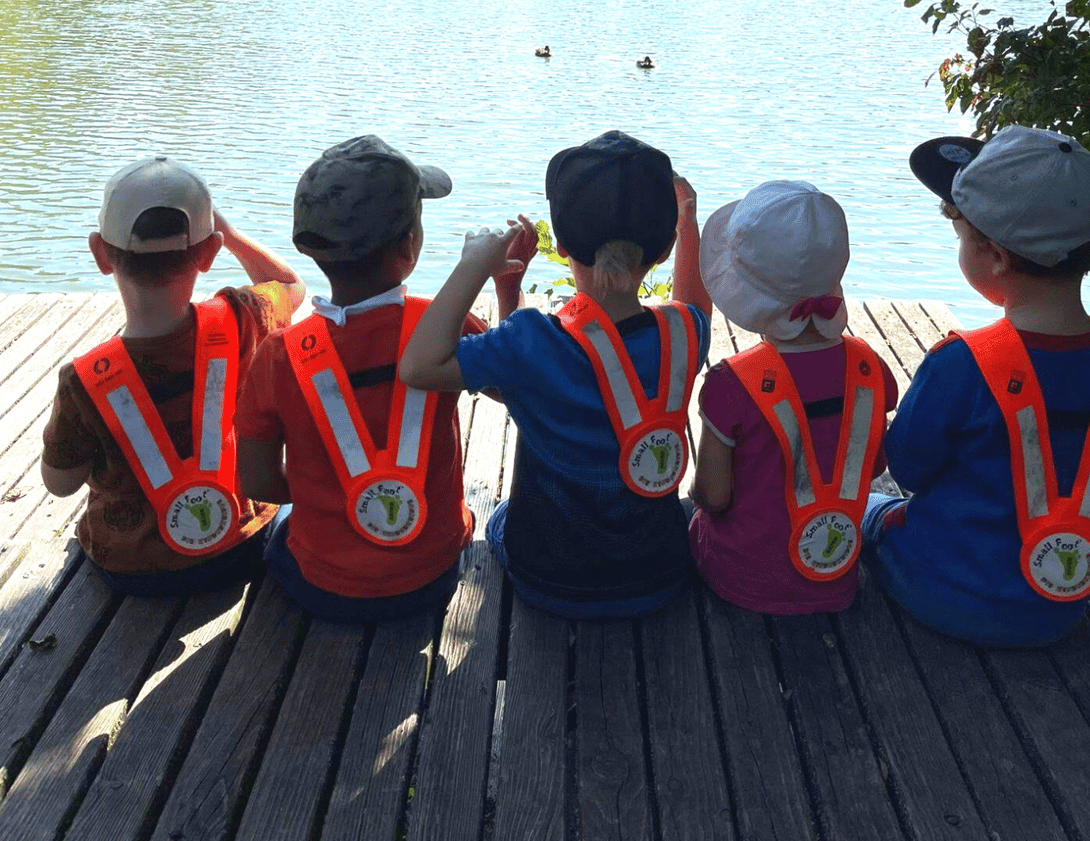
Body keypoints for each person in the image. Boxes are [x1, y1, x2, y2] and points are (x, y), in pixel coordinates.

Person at [862, 125, 1090, 647]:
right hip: (1058, 610)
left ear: (997, 258)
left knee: (870, 506)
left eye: (961, 239)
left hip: (937, 591)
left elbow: (908, 469)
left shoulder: (960, 363)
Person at [400, 129, 712, 618]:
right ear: (664, 249)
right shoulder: (686, 334)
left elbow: (420, 366)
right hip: (658, 574)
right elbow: (692, 303)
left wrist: (477, 268)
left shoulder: (528, 340)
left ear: (561, 244)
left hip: (548, 578)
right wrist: (688, 217)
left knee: (499, 514)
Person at [236, 134, 526, 622]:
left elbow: (258, 480)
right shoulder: (446, 328)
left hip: (322, 586)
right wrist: (507, 288)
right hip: (431, 577)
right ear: (410, 244)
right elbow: (520, 385)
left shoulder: (278, 356)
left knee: (279, 527)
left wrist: (328, 498)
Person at [40, 156, 304, 596]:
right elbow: (291, 286)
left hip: (135, 569)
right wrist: (230, 235)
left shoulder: (83, 381)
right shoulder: (244, 317)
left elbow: (60, 484)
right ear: (209, 252)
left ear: (100, 254)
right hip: (241, 545)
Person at [689, 181, 899, 614]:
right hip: (836, 579)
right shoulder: (872, 369)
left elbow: (712, 496)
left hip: (739, 579)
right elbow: (874, 466)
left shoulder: (730, 384)